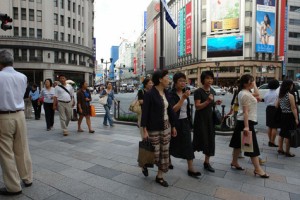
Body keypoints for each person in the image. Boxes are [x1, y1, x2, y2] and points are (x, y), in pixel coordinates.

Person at [0, 50, 33, 196]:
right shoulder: (22, 77)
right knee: (22, 148)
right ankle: (27, 177)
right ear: (12, 61)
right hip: (20, 115)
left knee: (6, 153)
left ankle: (13, 186)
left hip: (3, 116)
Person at [141, 69, 177, 187]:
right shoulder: (150, 94)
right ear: (160, 79)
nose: (169, 79)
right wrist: (144, 130)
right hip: (153, 128)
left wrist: (173, 126)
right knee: (154, 153)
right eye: (167, 77)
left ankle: (159, 176)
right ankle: (145, 163)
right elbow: (145, 113)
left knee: (164, 152)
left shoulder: (167, 93)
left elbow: (170, 110)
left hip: (166, 126)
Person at [229, 74, 269, 178]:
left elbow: (257, 94)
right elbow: (246, 112)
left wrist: (254, 84)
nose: (253, 82)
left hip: (242, 122)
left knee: (238, 144)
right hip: (246, 122)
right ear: (246, 83)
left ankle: (234, 162)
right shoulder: (245, 94)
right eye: (251, 81)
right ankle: (257, 169)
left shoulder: (246, 92)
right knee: (251, 146)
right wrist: (246, 127)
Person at [169, 72, 201, 178]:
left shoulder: (185, 92)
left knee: (188, 144)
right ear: (175, 82)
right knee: (171, 143)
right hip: (174, 122)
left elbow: (186, 109)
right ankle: (168, 160)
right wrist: (182, 98)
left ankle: (191, 168)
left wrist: (189, 122)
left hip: (184, 122)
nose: (183, 83)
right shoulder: (171, 94)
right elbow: (173, 110)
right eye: (180, 81)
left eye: (184, 80)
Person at [193, 71, 222, 173]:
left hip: (210, 120)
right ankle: (190, 161)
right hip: (200, 120)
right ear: (203, 80)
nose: (210, 80)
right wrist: (208, 101)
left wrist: (215, 103)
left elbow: (210, 104)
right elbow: (197, 106)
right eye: (207, 78)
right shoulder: (198, 92)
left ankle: (206, 162)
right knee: (198, 139)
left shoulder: (212, 91)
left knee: (210, 140)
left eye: (211, 78)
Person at [276, 80, 297, 157]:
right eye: (291, 85)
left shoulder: (280, 95)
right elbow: (293, 108)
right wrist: (296, 119)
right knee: (288, 135)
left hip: (283, 115)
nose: (292, 86)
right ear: (289, 86)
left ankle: (280, 148)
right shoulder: (290, 95)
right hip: (289, 116)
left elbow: (276, 105)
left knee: (282, 133)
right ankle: (287, 152)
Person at [264, 79, 280, 147]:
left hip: (268, 108)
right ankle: (272, 142)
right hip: (275, 109)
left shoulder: (267, 93)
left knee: (270, 126)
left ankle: (270, 140)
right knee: (274, 126)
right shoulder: (277, 93)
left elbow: (265, 101)